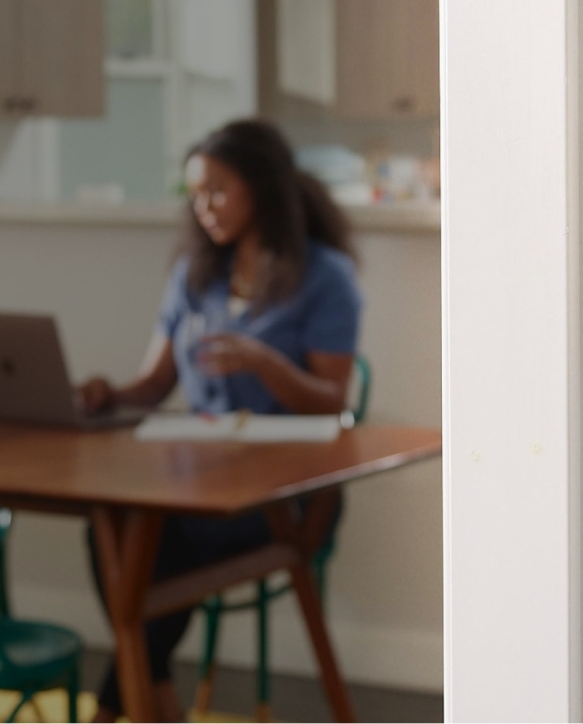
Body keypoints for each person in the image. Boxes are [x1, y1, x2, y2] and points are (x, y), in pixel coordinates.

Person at [77, 118, 362, 722]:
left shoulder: (324, 276)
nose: (204, 208)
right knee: (113, 528)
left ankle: (116, 710)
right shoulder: (194, 275)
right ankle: (151, 699)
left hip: (287, 495)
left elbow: (333, 401)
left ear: (261, 187)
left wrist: (267, 365)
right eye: (195, 195)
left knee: (155, 543)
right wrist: (110, 395)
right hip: (199, 479)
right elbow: (155, 384)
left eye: (218, 191)